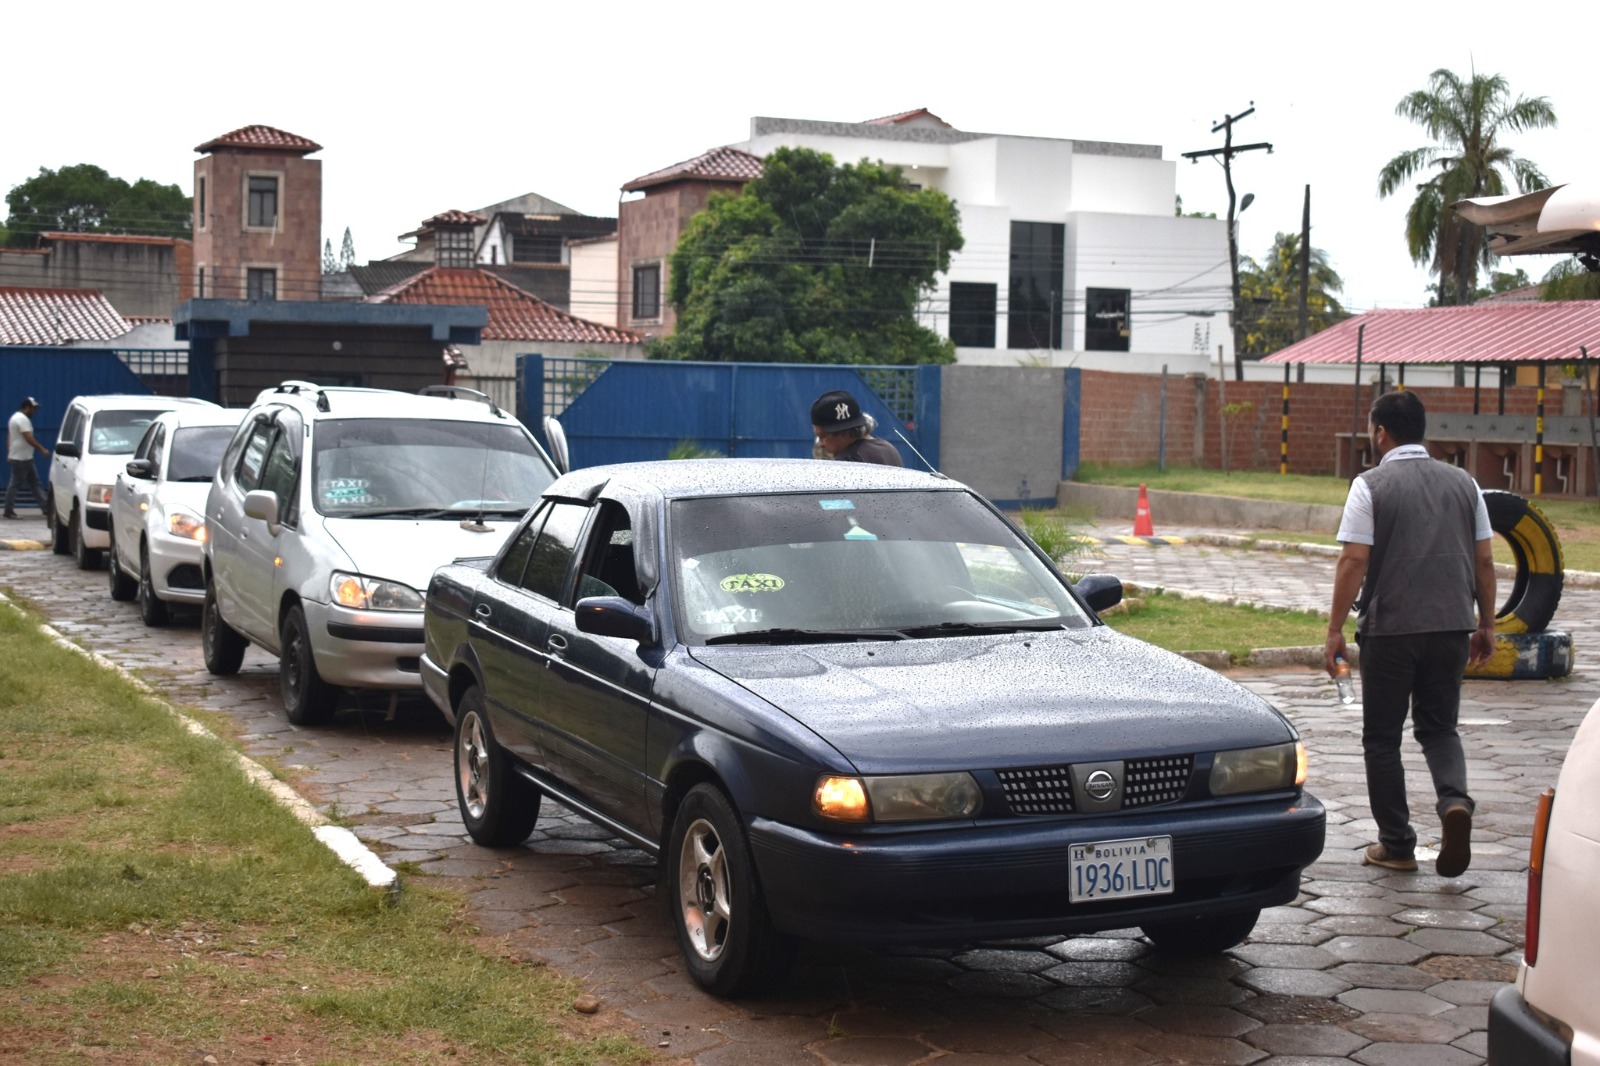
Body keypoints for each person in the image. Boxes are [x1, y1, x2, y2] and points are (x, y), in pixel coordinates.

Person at [1325, 389, 1495, 878]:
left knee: (1382, 738)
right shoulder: (1466, 484)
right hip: (1452, 626)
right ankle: (1454, 801)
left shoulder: (1369, 485)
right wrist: (1486, 623)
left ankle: (1397, 844)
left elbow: (1353, 560)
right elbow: (1484, 560)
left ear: (1381, 432)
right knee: (1439, 729)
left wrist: (1334, 629)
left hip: (1390, 630)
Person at [809, 390, 903, 466]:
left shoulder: (848, 461)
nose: (821, 444)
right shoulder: (888, 449)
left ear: (844, 434)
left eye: (822, 436)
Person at [5, 396, 51, 520]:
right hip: (21, 458)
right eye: (33, 408)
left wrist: (9, 452)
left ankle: (46, 507)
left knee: (34, 483)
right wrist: (42, 449)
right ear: (27, 408)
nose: (34, 411)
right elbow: (28, 437)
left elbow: (9, 436)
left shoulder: (14, 417)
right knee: (15, 484)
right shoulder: (22, 419)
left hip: (23, 457)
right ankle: (8, 511)